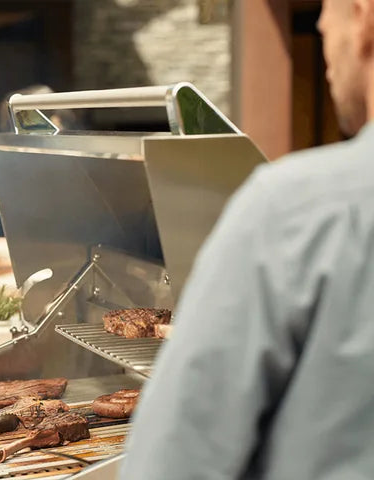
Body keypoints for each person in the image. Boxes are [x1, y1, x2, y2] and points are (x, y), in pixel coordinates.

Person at [121, 0, 374, 478]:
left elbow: (174, 464)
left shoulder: (294, 209)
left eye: (328, 7)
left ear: (364, 17)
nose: (318, 23)